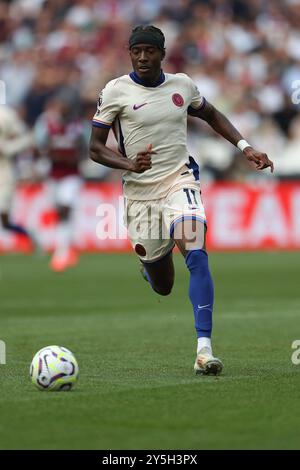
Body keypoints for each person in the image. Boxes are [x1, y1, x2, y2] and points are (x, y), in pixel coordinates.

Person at [89, 25, 274, 375]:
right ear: (130, 53)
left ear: (162, 53)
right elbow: (95, 148)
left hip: (180, 181)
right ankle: (150, 269)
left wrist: (245, 147)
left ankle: (204, 349)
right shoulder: (114, 91)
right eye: (136, 51)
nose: (143, 57)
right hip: (140, 194)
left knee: (197, 255)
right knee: (164, 285)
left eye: (150, 51)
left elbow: (212, 114)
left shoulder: (182, 85)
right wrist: (130, 164)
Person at [34, 94, 86, 272]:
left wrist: (73, 157)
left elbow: (83, 150)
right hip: (53, 175)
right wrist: (49, 156)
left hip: (71, 175)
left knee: (65, 208)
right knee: (60, 212)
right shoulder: (47, 124)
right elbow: (39, 147)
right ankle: (69, 246)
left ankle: (60, 253)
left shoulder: (77, 126)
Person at [0, 104, 36, 245]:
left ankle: (31, 235)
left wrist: (8, 148)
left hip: (4, 173)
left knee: (4, 218)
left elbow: (26, 138)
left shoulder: (5, 114)